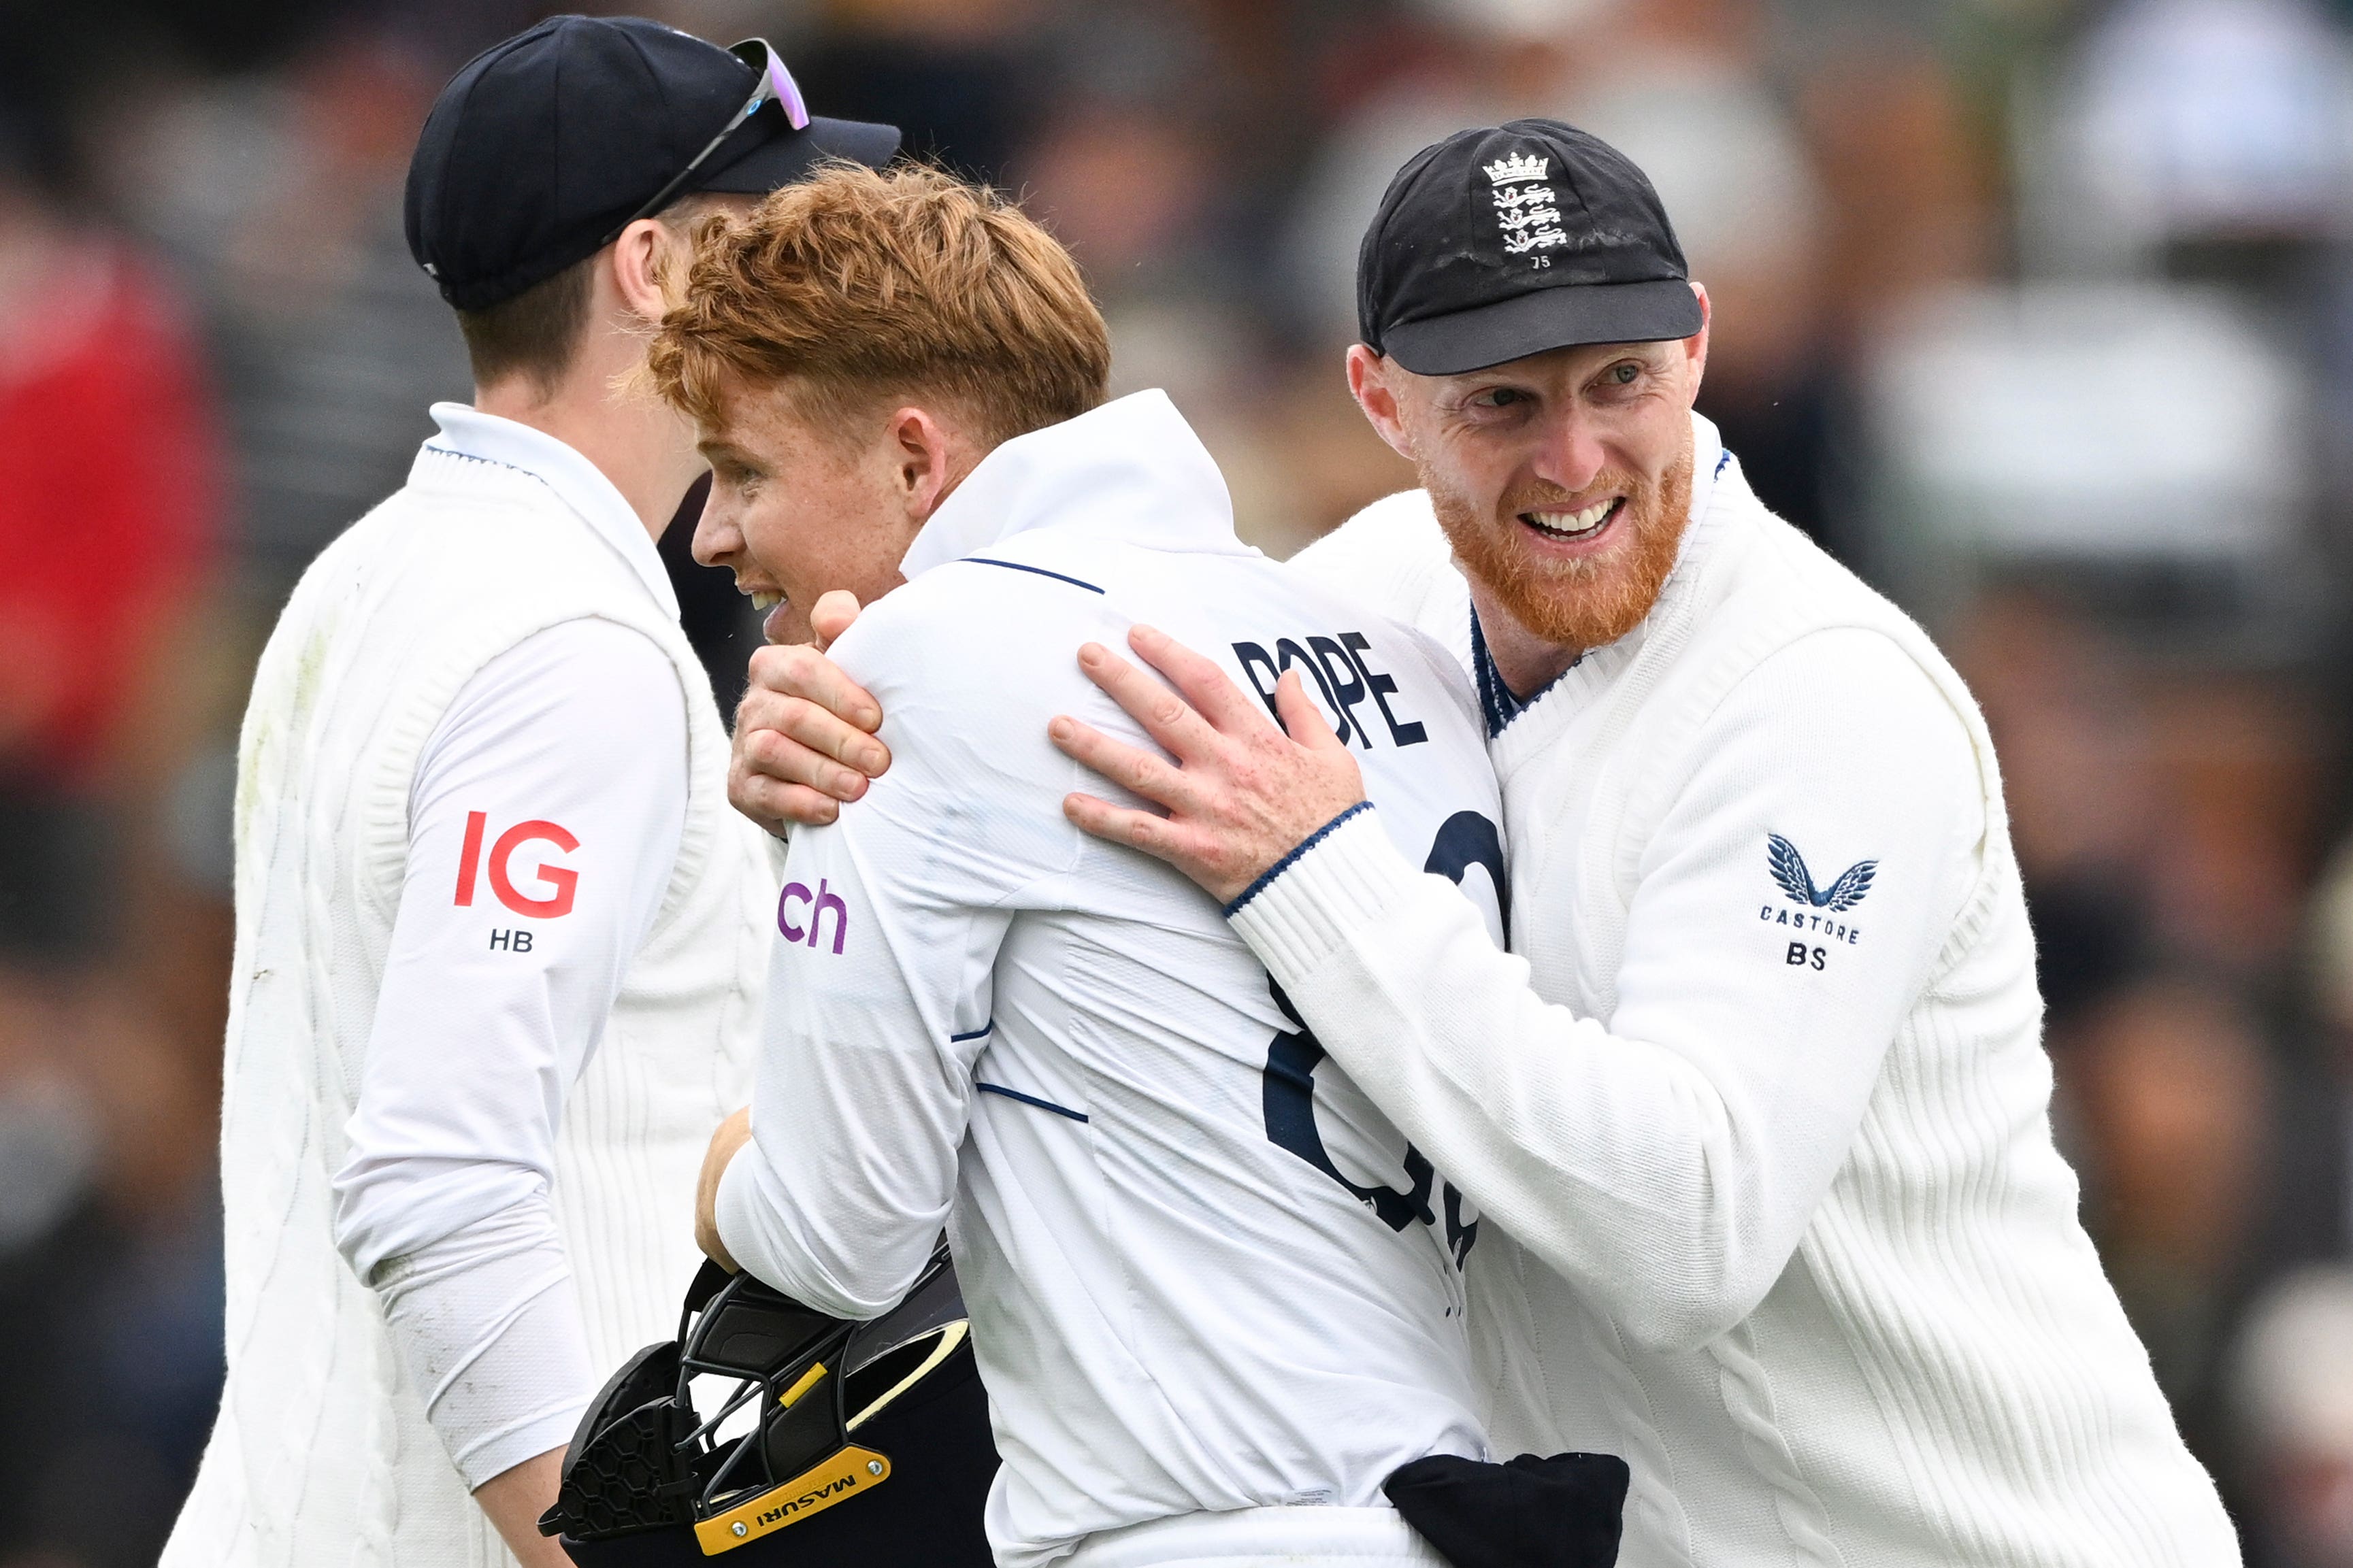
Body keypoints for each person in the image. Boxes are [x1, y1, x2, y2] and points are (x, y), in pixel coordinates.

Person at [727, 120, 2242, 1564]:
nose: (1574, 460)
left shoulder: (1820, 694)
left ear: (1699, 346)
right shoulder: (1366, 592)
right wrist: (834, 714)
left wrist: (1314, 875)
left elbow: (1689, 1230)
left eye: (1620, 381)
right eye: (1501, 401)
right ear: (1379, 403)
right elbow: (1027, 720)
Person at [661, 165, 1588, 1568]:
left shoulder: (916, 665)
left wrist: (718, 1167)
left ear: (915, 459)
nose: (711, 534)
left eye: (742, 470)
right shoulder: (1389, 657)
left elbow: (836, 1228)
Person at [162, 20, 897, 1567]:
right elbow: (440, 1174)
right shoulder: (566, 635)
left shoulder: (375, 568)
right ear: (651, 269)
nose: (813, 287)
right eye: (760, 242)